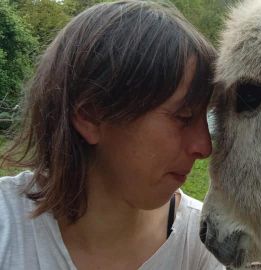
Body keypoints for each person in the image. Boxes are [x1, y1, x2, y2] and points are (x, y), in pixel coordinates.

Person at [0, 1, 225, 269]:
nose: (204, 146)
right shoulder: (7, 229)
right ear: (91, 116)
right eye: (184, 117)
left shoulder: (199, 245)